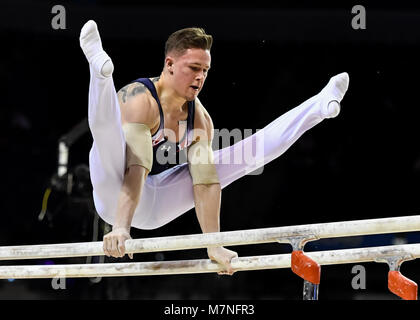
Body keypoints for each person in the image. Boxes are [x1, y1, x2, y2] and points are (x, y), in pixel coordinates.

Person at [79, 20, 349, 276]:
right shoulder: (139, 99)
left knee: (246, 155)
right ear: (169, 64)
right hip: (113, 196)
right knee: (106, 140)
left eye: (205, 71)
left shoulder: (200, 119)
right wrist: (121, 228)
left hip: (153, 205)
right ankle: (100, 70)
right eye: (194, 68)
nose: (200, 77)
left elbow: (205, 184)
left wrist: (214, 244)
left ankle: (319, 105)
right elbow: (135, 168)